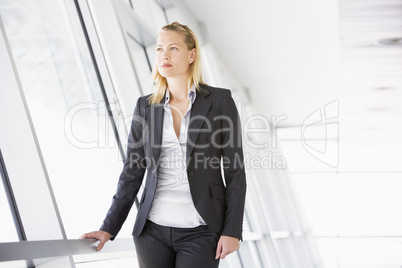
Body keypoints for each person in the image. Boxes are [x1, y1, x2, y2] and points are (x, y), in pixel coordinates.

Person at [80, 21, 246, 268]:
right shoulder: (145, 106)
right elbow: (132, 171)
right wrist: (108, 228)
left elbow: (235, 172)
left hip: (201, 229)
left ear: (192, 55)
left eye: (173, 48)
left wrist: (232, 230)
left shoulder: (220, 101)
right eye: (159, 49)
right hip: (152, 232)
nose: (163, 55)